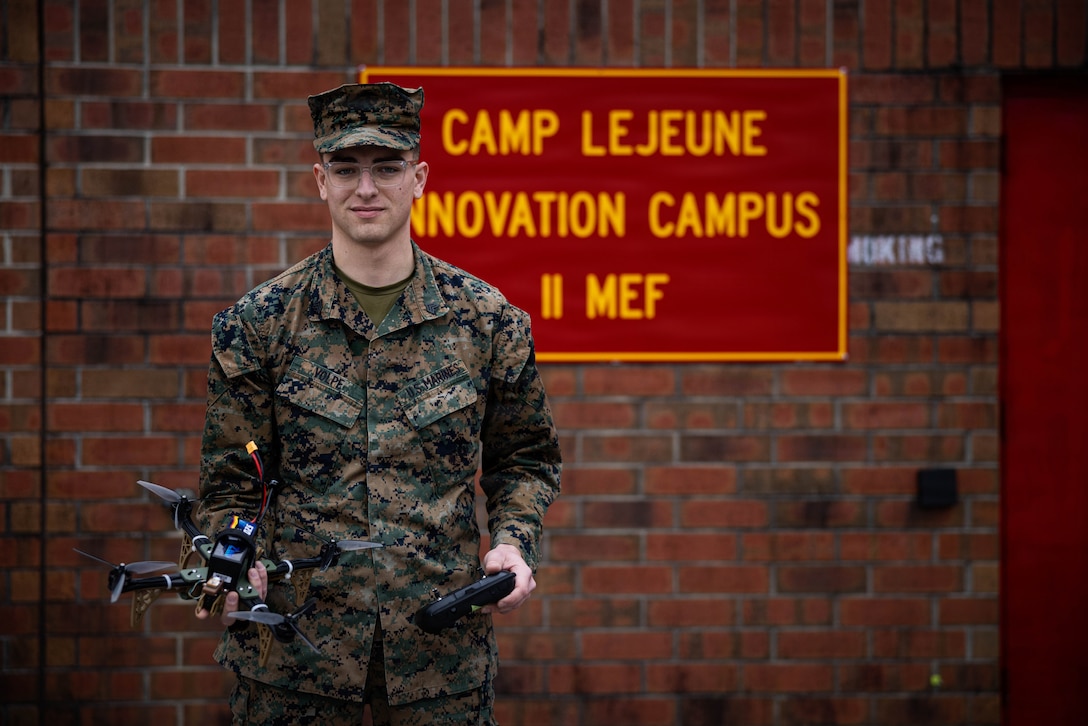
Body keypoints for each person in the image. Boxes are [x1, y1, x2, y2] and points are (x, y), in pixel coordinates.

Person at [191, 81, 562, 725]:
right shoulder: (257, 326)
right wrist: (234, 553)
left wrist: (513, 541)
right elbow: (231, 481)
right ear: (320, 179)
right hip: (293, 660)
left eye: (386, 168)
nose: (366, 189)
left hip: (437, 658)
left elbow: (525, 458)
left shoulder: (487, 320)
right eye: (346, 168)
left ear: (419, 178)